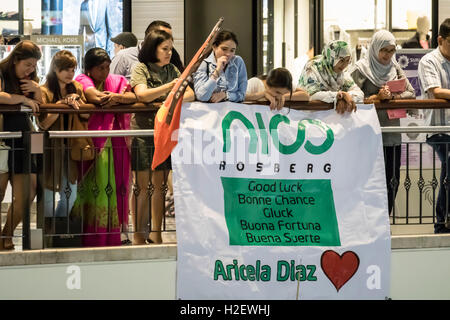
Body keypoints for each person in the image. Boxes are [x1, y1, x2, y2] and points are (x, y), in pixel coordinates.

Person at [130, 29, 194, 245]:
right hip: (143, 132)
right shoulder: (141, 68)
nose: (169, 52)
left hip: (165, 133)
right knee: (141, 186)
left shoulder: (173, 69)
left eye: (170, 48)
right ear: (153, 48)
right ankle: (138, 234)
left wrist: (172, 94)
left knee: (160, 186)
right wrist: (170, 89)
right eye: (164, 48)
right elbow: (142, 94)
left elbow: (189, 93)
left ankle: (156, 233)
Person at [71, 47, 137, 247]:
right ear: (89, 69)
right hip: (94, 144)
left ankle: (113, 236)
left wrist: (118, 98)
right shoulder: (82, 80)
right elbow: (95, 97)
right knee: (97, 188)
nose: (106, 72)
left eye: (108, 67)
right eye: (101, 68)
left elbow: (135, 97)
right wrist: (115, 99)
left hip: (116, 141)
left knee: (116, 186)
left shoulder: (116, 82)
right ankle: (95, 236)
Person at [351, 30, 416, 216]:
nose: (388, 55)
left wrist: (394, 96)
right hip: (366, 137)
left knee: (392, 180)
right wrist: (376, 97)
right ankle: (365, 223)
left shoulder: (395, 69)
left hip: (392, 136)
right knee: (367, 182)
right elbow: (350, 96)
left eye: (392, 50)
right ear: (374, 48)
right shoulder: (360, 69)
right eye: (384, 50)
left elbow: (411, 92)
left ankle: (383, 222)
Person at [0, 40, 42, 250]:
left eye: (34, 65)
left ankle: (6, 234)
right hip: (2, 139)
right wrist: (21, 99)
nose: (31, 70)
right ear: (15, 59)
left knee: (28, 192)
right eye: (28, 64)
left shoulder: (31, 79)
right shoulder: (1, 71)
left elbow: (41, 106)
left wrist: (37, 90)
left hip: (24, 139)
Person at [39, 50, 87, 219]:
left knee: (70, 194)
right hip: (50, 147)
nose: (70, 73)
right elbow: (43, 123)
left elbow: (86, 115)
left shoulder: (77, 87)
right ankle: (47, 233)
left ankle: (58, 230)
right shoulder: (44, 90)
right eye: (66, 69)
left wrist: (76, 100)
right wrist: (60, 105)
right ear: (55, 69)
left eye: (73, 69)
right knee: (48, 195)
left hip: (71, 146)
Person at [418, 18, 450, 233]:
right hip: (439, 129)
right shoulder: (429, 61)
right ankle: (442, 220)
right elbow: (436, 91)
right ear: (440, 39)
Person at [299, 40, 364, 114]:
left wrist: (344, 98)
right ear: (332, 57)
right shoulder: (312, 67)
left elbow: (359, 93)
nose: (344, 65)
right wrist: (338, 96)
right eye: (341, 60)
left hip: (328, 119)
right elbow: (311, 95)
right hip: (307, 117)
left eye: (347, 61)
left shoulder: (342, 73)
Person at [110, 20, 185, 81]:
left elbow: (184, 85)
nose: (168, 39)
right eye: (163, 35)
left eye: (170, 37)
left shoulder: (171, 56)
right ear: (151, 37)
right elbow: (110, 84)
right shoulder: (124, 56)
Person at [192, 30, 248, 103]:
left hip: (232, 111)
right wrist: (217, 71)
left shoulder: (238, 62)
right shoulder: (204, 64)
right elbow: (202, 96)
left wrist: (225, 95)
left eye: (232, 50)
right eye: (224, 49)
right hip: (211, 112)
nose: (228, 54)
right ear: (214, 47)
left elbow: (242, 95)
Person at [245, 67, 309, 110]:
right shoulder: (255, 82)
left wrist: (284, 97)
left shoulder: (285, 86)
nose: (279, 96)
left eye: (284, 93)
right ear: (268, 84)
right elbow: (241, 96)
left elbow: (305, 96)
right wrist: (263, 94)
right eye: (277, 92)